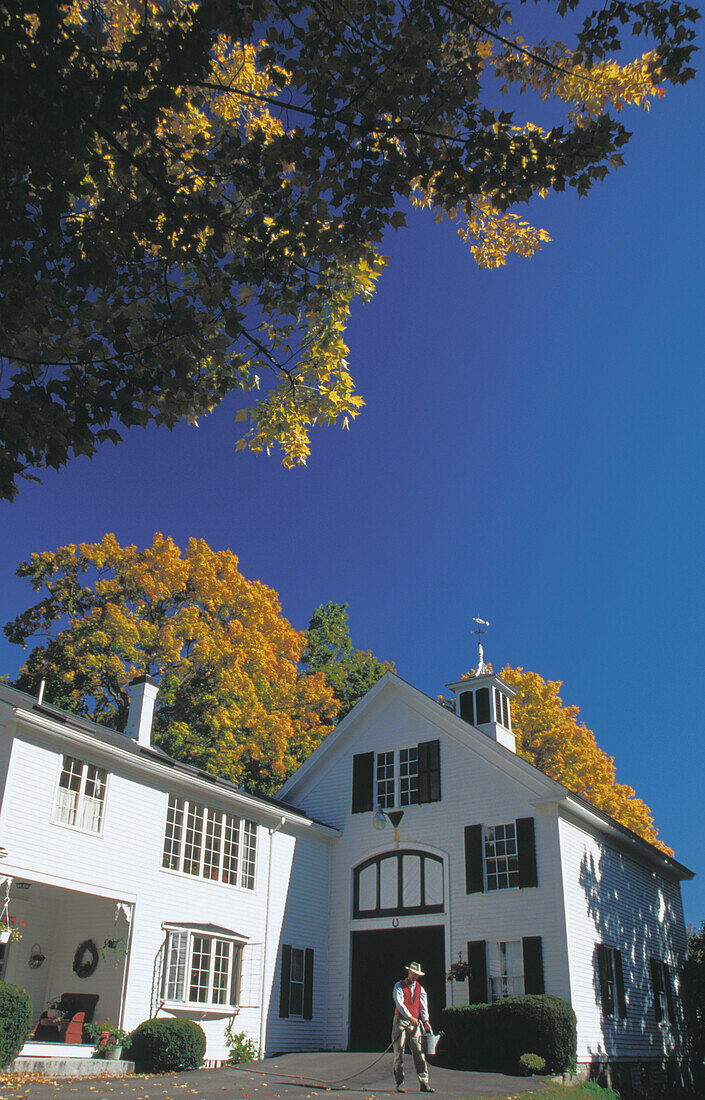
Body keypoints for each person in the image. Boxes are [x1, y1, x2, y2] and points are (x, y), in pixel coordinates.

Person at [392, 961, 435, 1093]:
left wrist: (426, 1021)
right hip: (401, 1021)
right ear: (409, 972)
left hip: (415, 1023)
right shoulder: (399, 985)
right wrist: (409, 1016)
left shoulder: (421, 989)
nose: (415, 976)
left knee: (419, 1052)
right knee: (399, 1052)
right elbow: (399, 1003)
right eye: (413, 973)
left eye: (417, 974)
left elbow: (423, 1006)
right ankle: (400, 1083)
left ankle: (424, 1083)